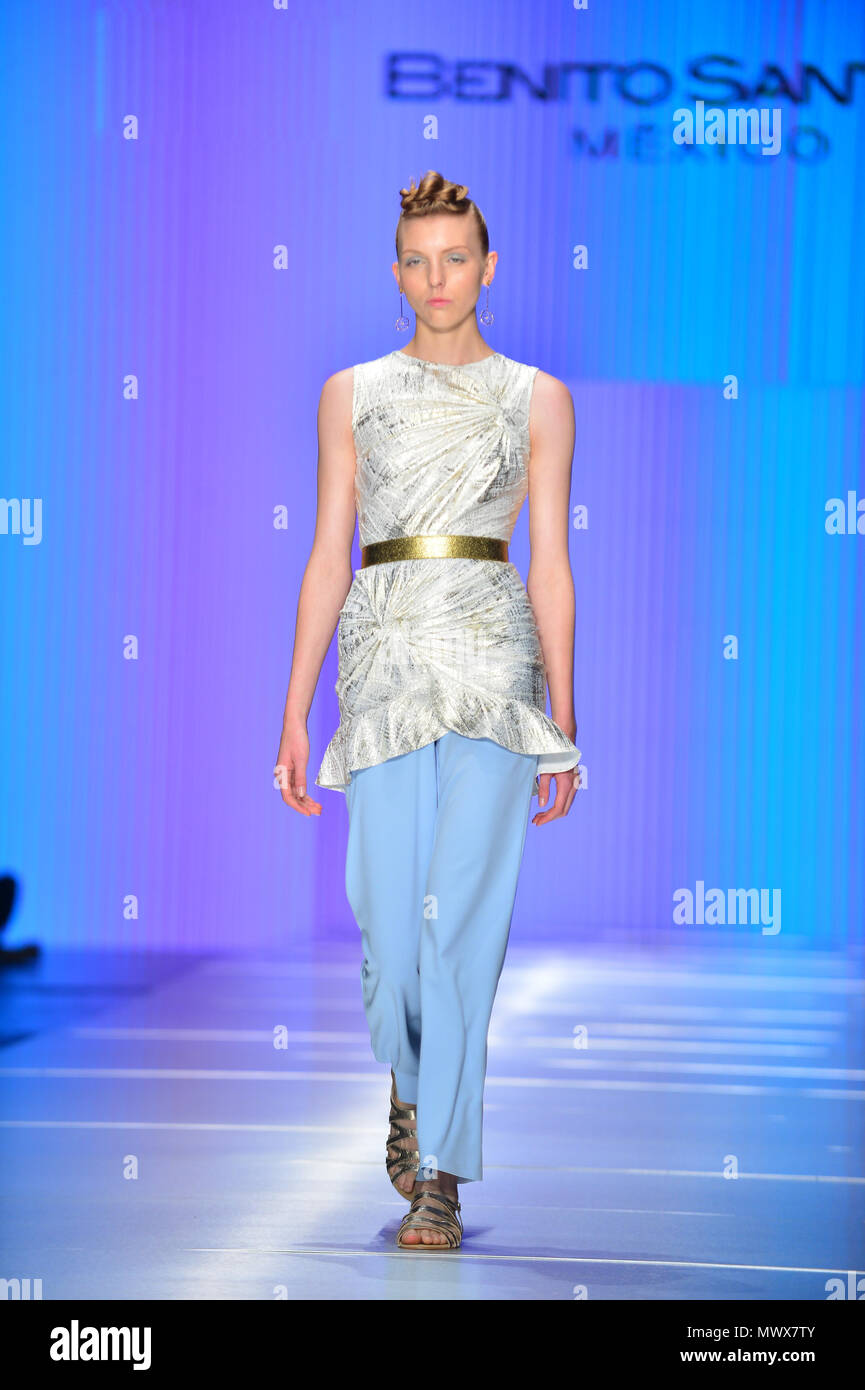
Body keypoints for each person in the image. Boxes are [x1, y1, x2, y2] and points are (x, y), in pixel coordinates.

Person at [275, 170, 582, 1251]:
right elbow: (326, 552)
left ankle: (440, 1173)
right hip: (385, 659)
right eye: (417, 260)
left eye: (456, 259)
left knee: (464, 928)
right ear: (395, 269)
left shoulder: (535, 396)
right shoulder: (348, 391)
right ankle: (411, 1084)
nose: (436, 278)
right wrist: (293, 709)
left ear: (487, 268)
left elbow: (550, 563)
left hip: (495, 666)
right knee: (390, 934)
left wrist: (563, 718)